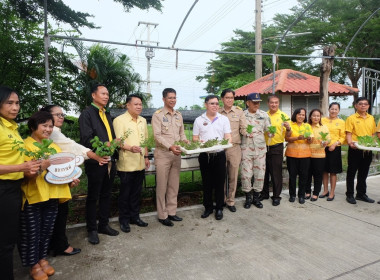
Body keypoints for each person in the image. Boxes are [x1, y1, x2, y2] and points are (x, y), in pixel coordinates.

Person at [41, 105, 109, 256]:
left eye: (62, 114)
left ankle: (53, 245)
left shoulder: (54, 133)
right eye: (57, 114)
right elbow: (74, 146)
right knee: (57, 212)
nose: (61, 117)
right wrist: (96, 156)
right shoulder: (53, 134)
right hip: (52, 178)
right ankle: (60, 245)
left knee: (56, 212)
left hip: (57, 177)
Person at [19, 111, 76, 280]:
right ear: (32, 126)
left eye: (50, 126)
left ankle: (42, 259)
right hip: (34, 196)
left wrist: (70, 180)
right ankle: (33, 265)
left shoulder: (53, 147)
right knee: (32, 233)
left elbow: (60, 172)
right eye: (44, 125)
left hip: (52, 195)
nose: (48, 129)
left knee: (46, 231)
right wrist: (40, 166)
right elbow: (23, 174)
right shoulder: (24, 146)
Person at [0, 86, 40, 280]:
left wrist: (29, 169)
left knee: (9, 240)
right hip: (3, 189)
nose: (15, 107)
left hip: (14, 188)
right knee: (5, 244)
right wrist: (21, 168)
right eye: (9, 103)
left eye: (17, 103)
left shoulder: (12, 127)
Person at [79, 84, 119, 245]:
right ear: (93, 95)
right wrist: (107, 145)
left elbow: (112, 136)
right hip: (96, 161)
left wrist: (114, 147)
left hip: (110, 160)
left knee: (106, 194)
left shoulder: (106, 114)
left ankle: (103, 225)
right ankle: (92, 229)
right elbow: (86, 139)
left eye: (108, 93)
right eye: (103, 93)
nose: (106, 96)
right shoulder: (87, 114)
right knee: (93, 196)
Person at [113, 94, 150, 233]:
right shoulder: (119, 120)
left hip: (140, 162)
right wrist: (130, 148)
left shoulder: (143, 120)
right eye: (136, 104)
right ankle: (124, 220)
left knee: (136, 193)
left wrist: (146, 157)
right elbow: (118, 141)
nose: (139, 106)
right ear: (128, 105)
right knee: (125, 194)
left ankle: (135, 217)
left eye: (140, 104)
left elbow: (145, 141)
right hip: (126, 163)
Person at [152, 88, 188, 226]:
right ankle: (162, 215)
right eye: (170, 98)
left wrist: (186, 141)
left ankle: (172, 212)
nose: (173, 100)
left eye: (174, 97)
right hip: (163, 154)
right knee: (162, 186)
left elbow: (182, 133)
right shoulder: (158, 115)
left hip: (176, 154)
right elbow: (157, 136)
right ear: (163, 99)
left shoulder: (179, 115)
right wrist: (170, 147)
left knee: (174, 185)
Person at [193, 95, 231, 220]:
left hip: (219, 155)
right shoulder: (199, 120)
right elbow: (195, 138)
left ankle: (219, 208)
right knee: (207, 183)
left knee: (220, 183)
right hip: (205, 156)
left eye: (216, 103)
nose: (215, 106)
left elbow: (228, 136)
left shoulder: (223, 119)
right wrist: (201, 144)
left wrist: (226, 144)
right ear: (206, 105)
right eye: (212, 103)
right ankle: (208, 207)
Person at [240, 93, 270, 209]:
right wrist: (245, 132)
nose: (257, 104)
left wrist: (271, 132)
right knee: (246, 174)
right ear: (248, 103)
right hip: (246, 148)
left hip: (260, 149)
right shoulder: (242, 115)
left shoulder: (264, 115)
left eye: (258, 102)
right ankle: (248, 198)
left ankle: (256, 198)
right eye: (254, 102)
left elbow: (268, 129)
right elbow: (239, 129)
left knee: (259, 174)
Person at [219, 88, 247, 212]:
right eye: (227, 97)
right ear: (222, 99)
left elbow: (243, 128)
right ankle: (221, 200)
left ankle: (230, 201)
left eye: (231, 97)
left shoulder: (239, 112)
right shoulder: (217, 112)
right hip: (219, 148)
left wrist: (248, 132)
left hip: (234, 147)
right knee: (220, 176)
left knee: (233, 176)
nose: (229, 100)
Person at [260, 95, 291, 206]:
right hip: (263, 147)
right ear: (268, 103)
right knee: (263, 171)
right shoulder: (263, 115)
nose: (274, 104)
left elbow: (288, 135)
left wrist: (288, 128)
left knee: (276, 172)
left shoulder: (284, 116)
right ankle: (264, 193)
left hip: (276, 146)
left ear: (278, 103)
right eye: (272, 102)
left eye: (276, 102)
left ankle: (276, 196)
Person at [345, 97, 376, 204]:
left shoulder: (371, 118)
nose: (363, 105)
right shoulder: (351, 118)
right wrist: (350, 143)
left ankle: (361, 194)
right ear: (356, 105)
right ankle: (349, 194)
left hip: (367, 149)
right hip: (355, 148)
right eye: (361, 104)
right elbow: (348, 133)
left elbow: (373, 134)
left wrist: (372, 144)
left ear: (368, 106)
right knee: (351, 172)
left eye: (365, 104)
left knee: (363, 173)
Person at [285, 108, 313, 204]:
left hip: (305, 155)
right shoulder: (290, 124)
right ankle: (292, 195)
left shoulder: (308, 126)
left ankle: (301, 195)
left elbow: (311, 141)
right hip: (291, 154)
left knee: (303, 176)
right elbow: (287, 138)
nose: (301, 116)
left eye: (303, 115)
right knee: (292, 176)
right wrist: (297, 138)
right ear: (295, 115)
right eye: (299, 114)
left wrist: (309, 138)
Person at [321, 102, 345, 201]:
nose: (333, 111)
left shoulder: (341, 122)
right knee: (324, 170)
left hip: (335, 148)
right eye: (332, 109)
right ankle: (325, 190)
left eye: (336, 109)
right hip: (323, 148)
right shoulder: (322, 120)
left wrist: (335, 144)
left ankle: (332, 192)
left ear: (338, 111)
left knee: (333, 172)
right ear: (329, 109)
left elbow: (343, 137)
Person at [305, 109, 330, 201]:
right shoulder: (307, 126)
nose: (316, 117)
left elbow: (328, 139)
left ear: (320, 117)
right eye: (314, 115)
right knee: (307, 174)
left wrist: (325, 142)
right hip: (307, 154)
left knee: (318, 175)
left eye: (318, 116)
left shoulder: (324, 127)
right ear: (310, 117)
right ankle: (307, 192)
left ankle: (316, 193)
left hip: (319, 155)